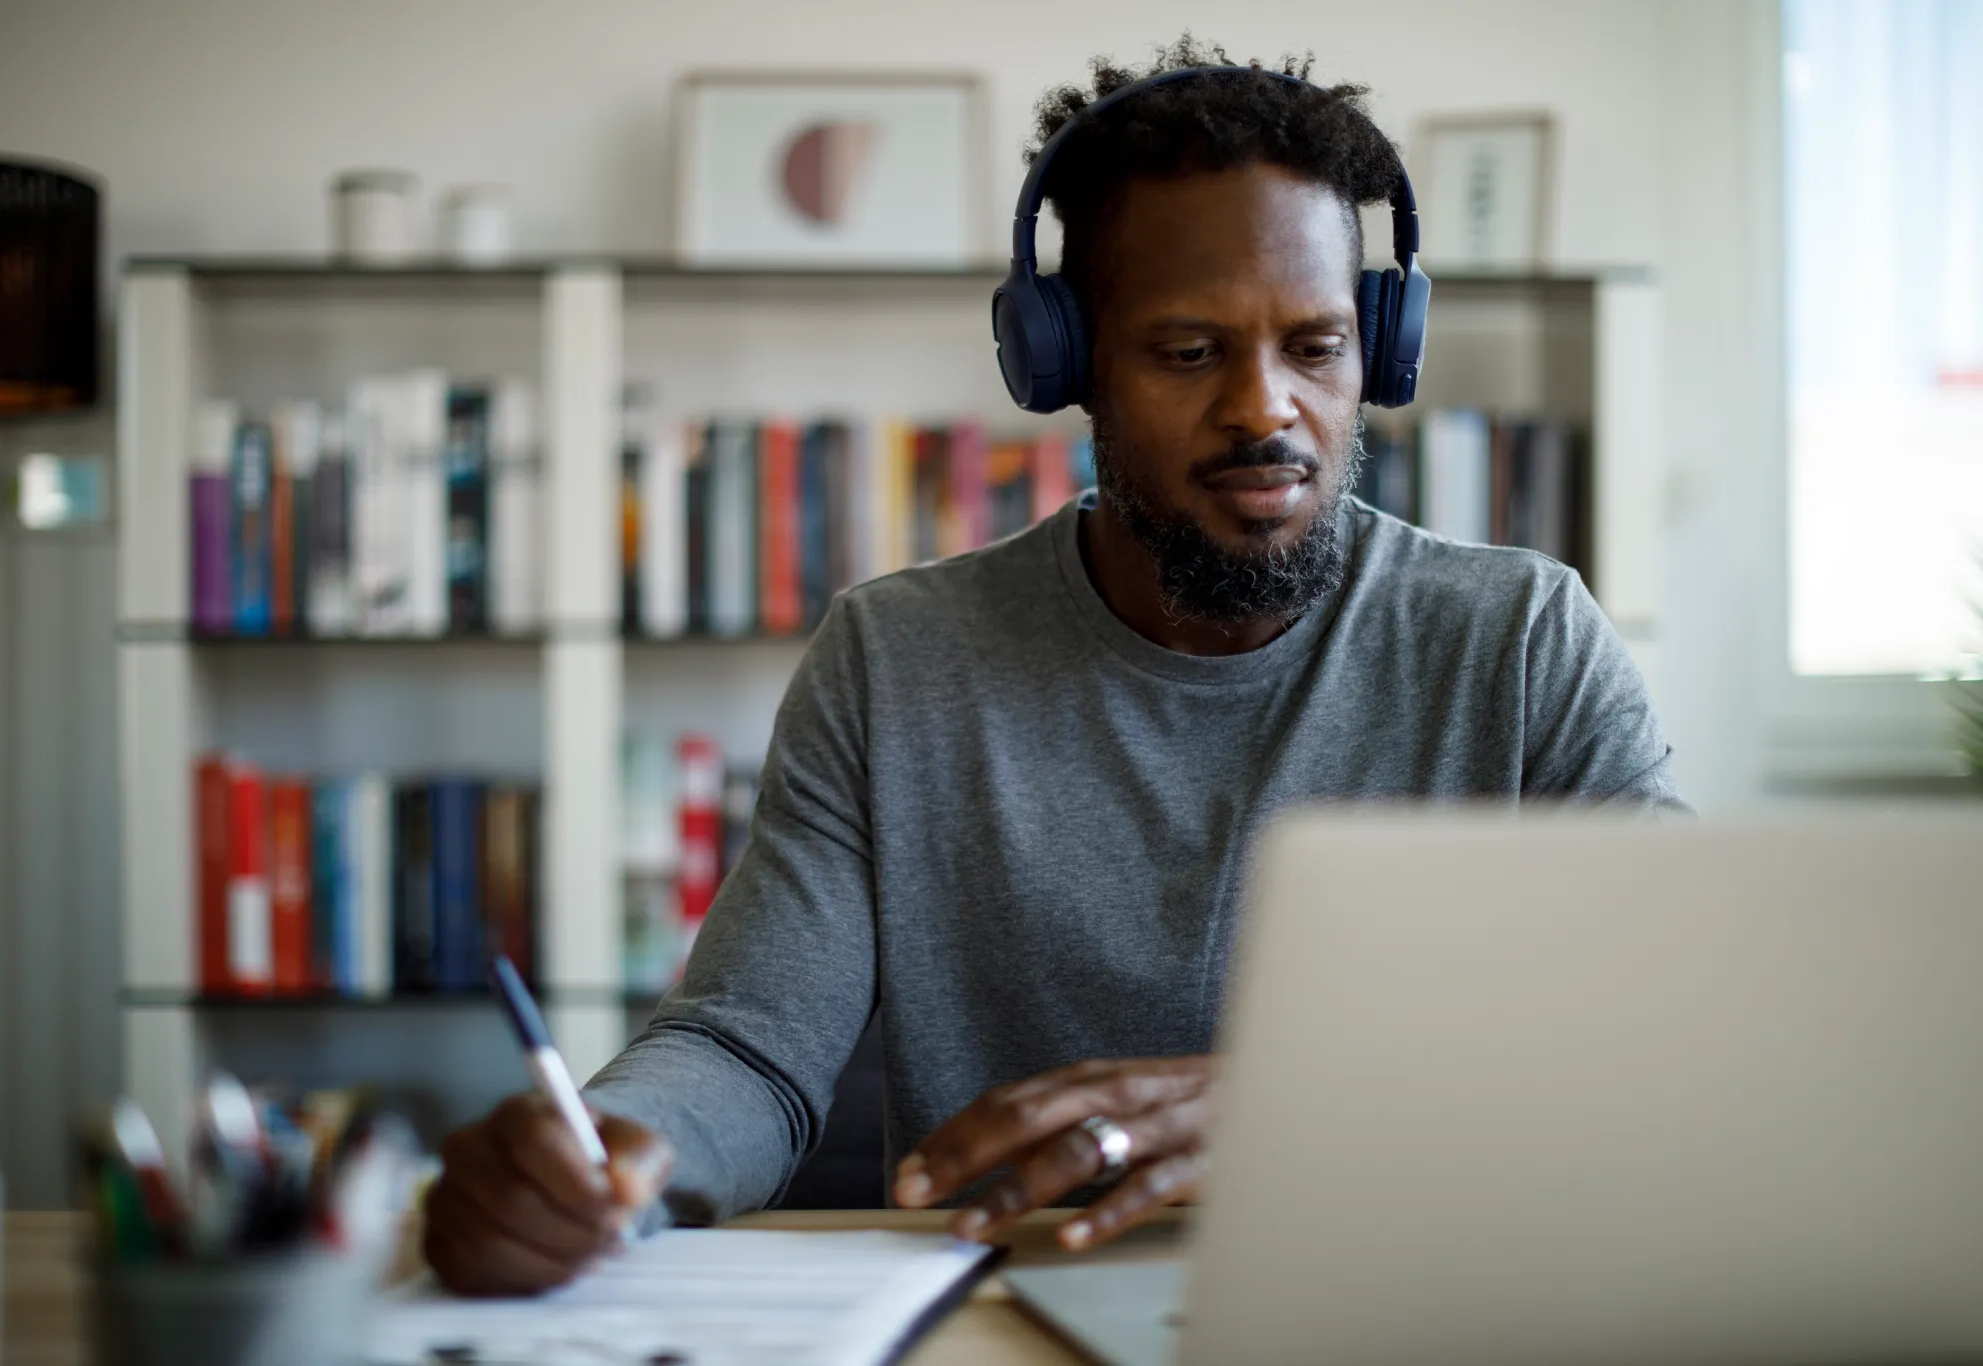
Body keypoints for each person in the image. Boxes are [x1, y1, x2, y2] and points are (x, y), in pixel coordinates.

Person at [422, 38, 1685, 1296]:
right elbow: (748, 1048)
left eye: (1314, 346)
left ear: (1380, 353)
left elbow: (1672, 1030)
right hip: (1009, 1308)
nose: (1264, 410)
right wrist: (609, 1164)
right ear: (1065, 364)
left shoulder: (1521, 642)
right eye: (1188, 353)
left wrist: (1296, 1114)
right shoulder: (894, 661)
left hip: (1426, 1301)